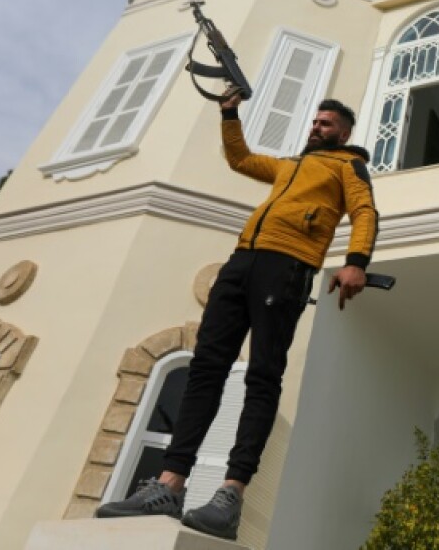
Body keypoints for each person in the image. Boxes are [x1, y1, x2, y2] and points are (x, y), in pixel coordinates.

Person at [96, 93, 378, 540]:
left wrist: (356, 260)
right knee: (206, 367)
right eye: (315, 122)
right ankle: (170, 484)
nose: (316, 127)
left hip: (287, 265)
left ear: (344, 132)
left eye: (326, 124)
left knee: (262, 376)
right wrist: (229, 113)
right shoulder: (289, 166)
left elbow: (364, 211)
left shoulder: (348, 167)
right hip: (243, 260)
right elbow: (241, 159)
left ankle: (231, 493)